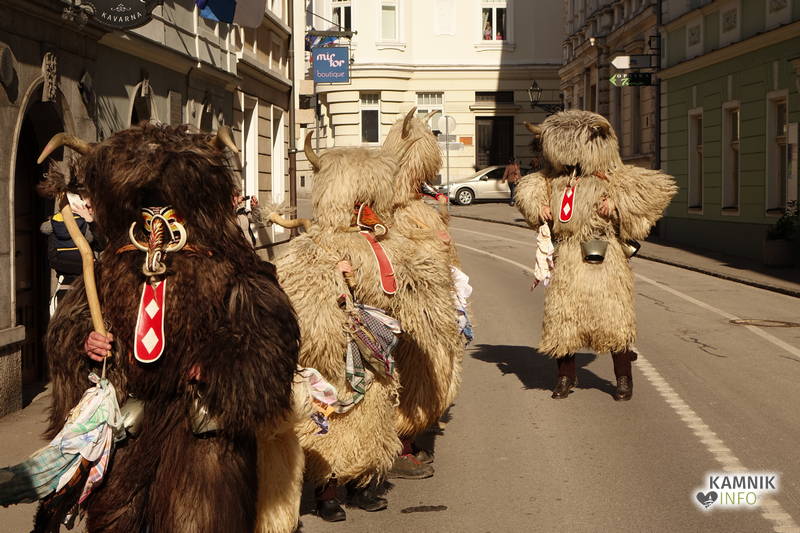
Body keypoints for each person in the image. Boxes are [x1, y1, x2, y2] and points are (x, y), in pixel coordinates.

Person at [514, 111, 676, 402]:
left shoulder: (615, 176)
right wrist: (538, 208)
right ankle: (565, 376)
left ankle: (623, 378)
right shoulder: (551, 179)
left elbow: (657, 190)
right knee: (563, 320)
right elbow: (527, 191)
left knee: (614, 320)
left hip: (606, 257)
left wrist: (618, 204)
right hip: (567, 258)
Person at [39, 193, 98, 315]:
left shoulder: (54, 224)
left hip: (63, 276)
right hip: (85, 275)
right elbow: (98, 243)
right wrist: (91, 222)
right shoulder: (85, 224)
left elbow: (44, 230)